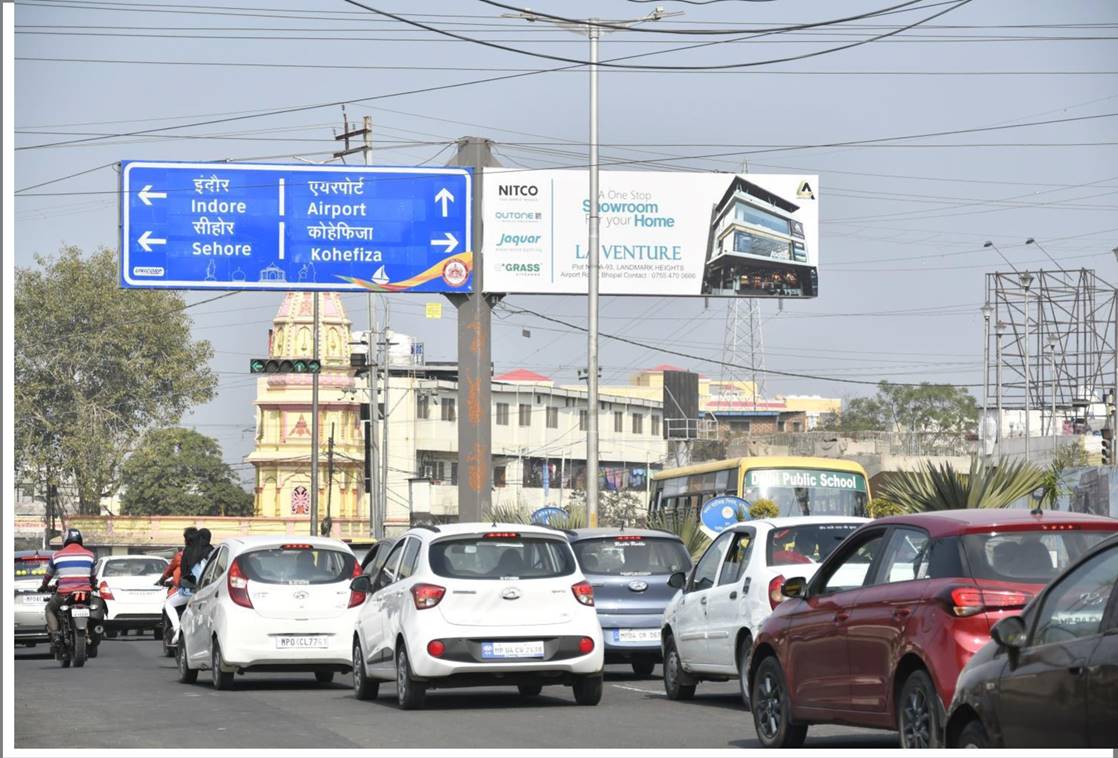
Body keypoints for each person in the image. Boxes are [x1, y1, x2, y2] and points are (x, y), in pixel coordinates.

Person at [39, 528, 98, 651]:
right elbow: (93, 576)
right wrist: (92, 585)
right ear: (80, 540)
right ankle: (91, 633)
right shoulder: (90, 555)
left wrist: (43, 586)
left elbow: (48, 576)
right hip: (85, 594)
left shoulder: (56, 556)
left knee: (49, 609)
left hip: (64, 595)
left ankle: (55, 635)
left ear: (65, 540)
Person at [172, 529, 214, 644]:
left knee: (170, 604)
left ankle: (177, 631)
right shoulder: (212, 551)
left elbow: (184, 572)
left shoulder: (188, 551)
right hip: (209, 590)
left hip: (190, 590)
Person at [158, 527, 198, 643]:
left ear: (186, 540)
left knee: (168, 604)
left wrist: (162, 579)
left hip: (186, 589)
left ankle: (177, 629)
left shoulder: (182, 555)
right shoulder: (206, 554)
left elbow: (169, 570)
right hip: (202, 590)